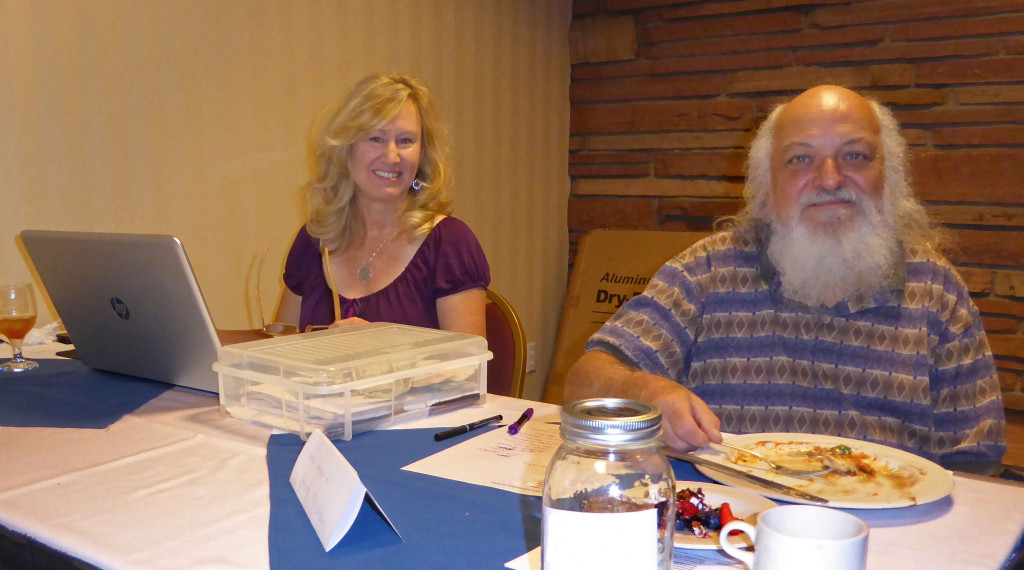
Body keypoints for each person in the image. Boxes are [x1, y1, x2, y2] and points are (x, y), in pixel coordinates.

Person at [564, 85, 1007, 469]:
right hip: (730, 529)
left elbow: (976, 460)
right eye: (800, 159)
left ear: (888, 176)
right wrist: (642, 388)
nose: (830, 179)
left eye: (855, 155)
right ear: (766, 185)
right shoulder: (707, 270)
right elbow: (584, 381)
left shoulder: (937, 289)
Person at [221, 74, 489, 344]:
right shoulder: (314, 241)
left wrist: (380, 346)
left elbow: (467, 372)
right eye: (375, 138)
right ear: (345, 149)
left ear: (422, 154)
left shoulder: (450, 244)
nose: (392, 156)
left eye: (406, 141)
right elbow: (281, 350)